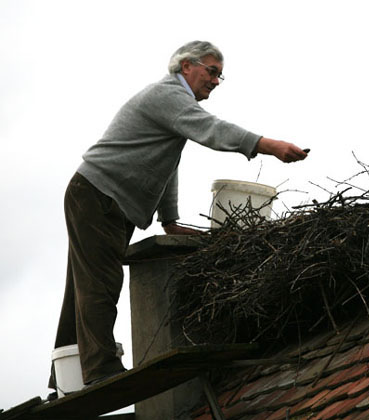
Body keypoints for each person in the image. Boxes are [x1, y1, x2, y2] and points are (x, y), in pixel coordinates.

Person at [48, 40, 308, 393]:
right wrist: (268, 145)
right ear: (186, 66)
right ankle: (100, 369)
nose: (216, 81)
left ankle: (63, 377)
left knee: (84, 285)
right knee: (100, 283)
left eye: (220, 75)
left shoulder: (174, 107)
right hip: (97, 195)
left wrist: (169, 219)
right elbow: (212, 130)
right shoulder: (168, 95)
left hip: (104, 200)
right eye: (211, 71)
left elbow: (167, 165)